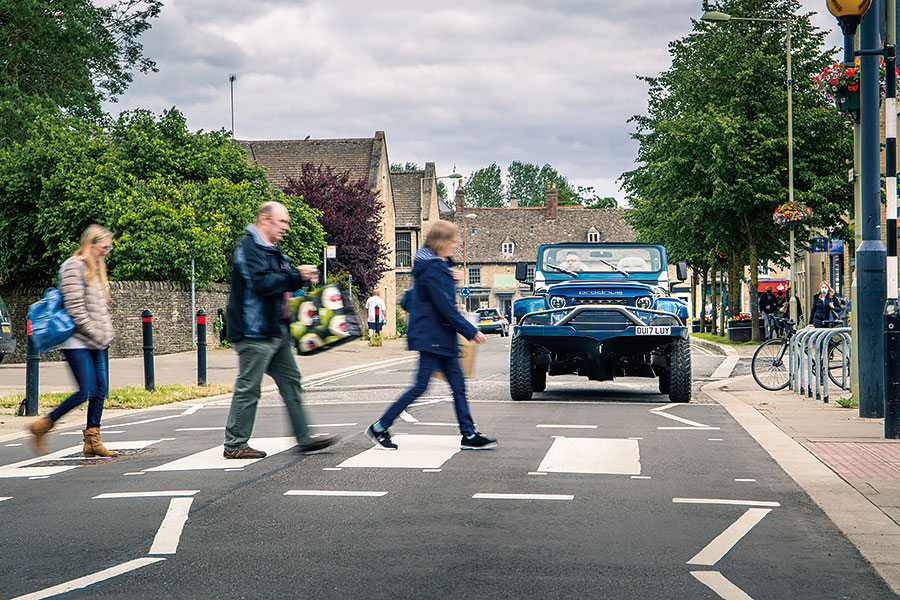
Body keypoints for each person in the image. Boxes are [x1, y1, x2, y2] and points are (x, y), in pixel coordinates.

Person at [366, 220, 495, 451]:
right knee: (420, 387)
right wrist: (470, 330)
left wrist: (450, 277)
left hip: (439, 337)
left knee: (458, 386)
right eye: (452, 241)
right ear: (441, 242)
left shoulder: (433, 267)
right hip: (433, 337)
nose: (455, 245)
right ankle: (380, 426)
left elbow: (415, 298)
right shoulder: (433, 269)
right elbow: (444, 306)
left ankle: (468, 434)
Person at [223, 201, 338, 458]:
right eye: (282, 221)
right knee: (249, 387)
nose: (286, 226)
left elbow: (282, 285)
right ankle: (235, 444)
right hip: (254, 331)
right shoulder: (248, 247)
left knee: (291, 381)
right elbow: (262, 283)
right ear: (265, 219)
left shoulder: (272, 250)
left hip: (275, 330)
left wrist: (303, 281)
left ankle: (304, 438)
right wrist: (297, 275)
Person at [29, 225, 117, 457]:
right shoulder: (72, 266)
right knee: (85, 390)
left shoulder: (96, 267)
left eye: (109, 248)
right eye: (104, 247)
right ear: (91, 243)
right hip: (76, 340)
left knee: (100, 391)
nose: (106, 252)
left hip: (96, 341)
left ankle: (92, 441)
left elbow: (99, 308)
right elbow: (76, 309)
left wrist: (105, 334)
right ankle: (43, 425)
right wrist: (96, 334)